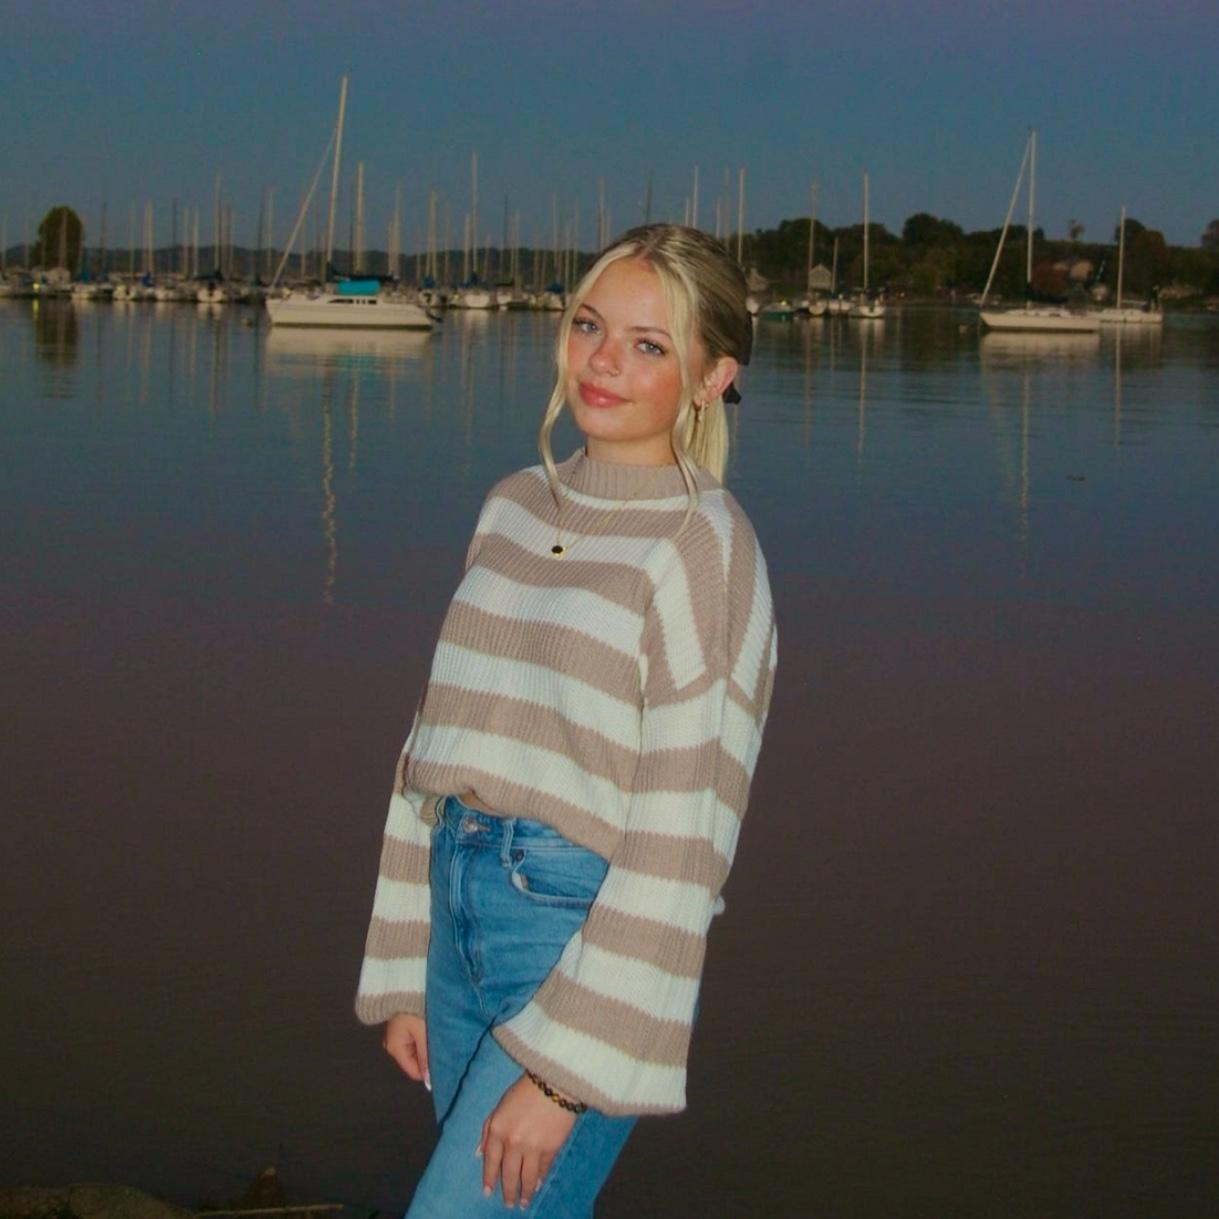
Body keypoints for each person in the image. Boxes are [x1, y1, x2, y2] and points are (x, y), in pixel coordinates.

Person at [355, 223, 777, 1217]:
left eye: (647, 343)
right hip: (456, 918)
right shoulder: (512, 505)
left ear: (712, 376)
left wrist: (563, 1077)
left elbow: (685, 835)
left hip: (573, 930)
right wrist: (403, 963)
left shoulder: (703, 545)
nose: (601, 360)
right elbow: (432, 746)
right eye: (590, 326)